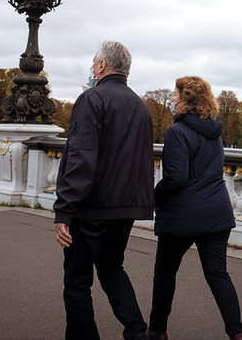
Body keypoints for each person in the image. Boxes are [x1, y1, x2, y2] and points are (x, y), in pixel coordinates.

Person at [53, 41, 154, 340]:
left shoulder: (91, 99)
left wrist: (64, 209)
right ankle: (137, 333)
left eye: (93, 62)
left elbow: (81, 158)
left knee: (77, 282)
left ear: (101, 66)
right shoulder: (140, 106)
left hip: (90, 207)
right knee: (112, 270)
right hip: (124, 208)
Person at [147, 76, 242, 340]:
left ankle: (157, 330)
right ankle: (237, 334)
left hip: (182, 216)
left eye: (175, 94)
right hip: (216, 213)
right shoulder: (214, 131)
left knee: (166, 271)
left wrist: (152, 196)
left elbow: (176, 178)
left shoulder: (177, 132)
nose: (171, 98)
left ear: (185, 99)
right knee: (218, 275)